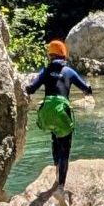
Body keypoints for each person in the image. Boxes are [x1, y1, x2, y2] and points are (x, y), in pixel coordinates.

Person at [26, 40, 95, 192]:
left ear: (50, 55)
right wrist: (89, 89)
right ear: (64, 55)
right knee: (65, 149)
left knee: (55, 138)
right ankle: (60, 188)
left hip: (47, 112)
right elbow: (86, 89)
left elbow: (31, 89)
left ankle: (57, 173)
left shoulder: (45, 70)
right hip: (62, 111)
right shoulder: (69, 72)